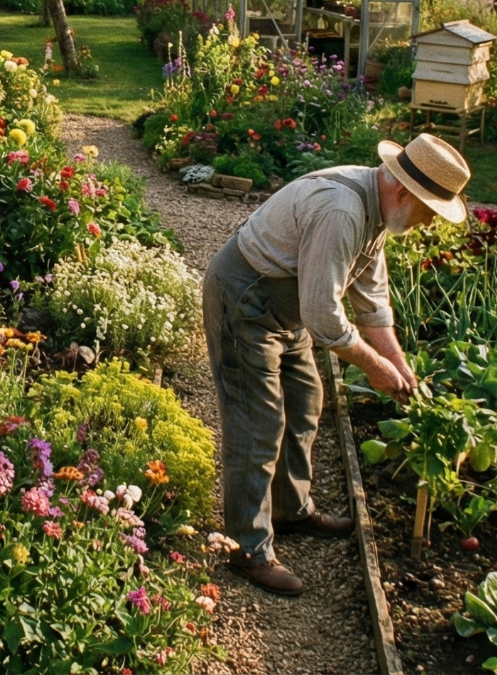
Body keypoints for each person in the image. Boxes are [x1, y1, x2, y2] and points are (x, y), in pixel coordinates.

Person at [202, 133, 471, 596]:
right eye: (430, 210)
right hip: (246, 301)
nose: (429, 223)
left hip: (286, 310)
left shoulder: (376, 211)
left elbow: (371, 303)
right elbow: (324, 319)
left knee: (307, 400)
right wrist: (373, 368)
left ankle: (290, 510)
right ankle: (247, 549)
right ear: (406, 191)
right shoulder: (342, 211)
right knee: (258, 424)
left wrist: (399, 366)